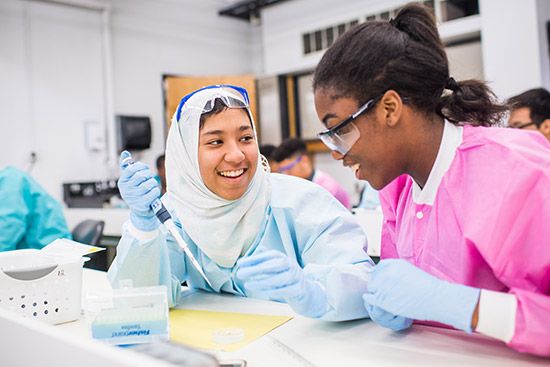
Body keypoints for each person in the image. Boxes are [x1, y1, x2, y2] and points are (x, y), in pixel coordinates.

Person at [312, 3, 550, 356]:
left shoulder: (515, 172)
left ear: (390, 109)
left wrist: (463, 305)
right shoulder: (397, 187)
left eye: (339, 131)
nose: (335, 152)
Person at [108, 85, 373, 321]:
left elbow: (363, 282)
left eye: (246, 139)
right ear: (186, 155)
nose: (236, 155)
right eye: (215, 142)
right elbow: (141, 301)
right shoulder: (176, 214)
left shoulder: (301, 202)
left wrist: (313, 292)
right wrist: (144, 228)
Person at [0, 166, 72, 251]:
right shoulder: (12, 178)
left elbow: (8, 228)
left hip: (47, 254)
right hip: (41, 251)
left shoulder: (10, 179)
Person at [272, 138, 351, 209]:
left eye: (288, 169)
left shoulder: (326, 188)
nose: (286, 175)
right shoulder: (299, 185)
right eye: (282, 171)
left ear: (304, 160)